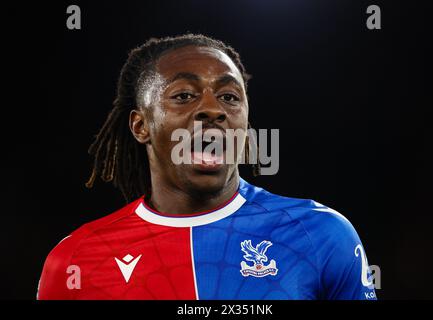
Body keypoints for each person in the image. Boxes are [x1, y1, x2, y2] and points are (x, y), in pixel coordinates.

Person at [37, 34, 376, 300]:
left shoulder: (321, 235)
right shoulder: (75, 259)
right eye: (184, 95)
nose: (212, 109)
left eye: (229, 96)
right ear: (141, 126)